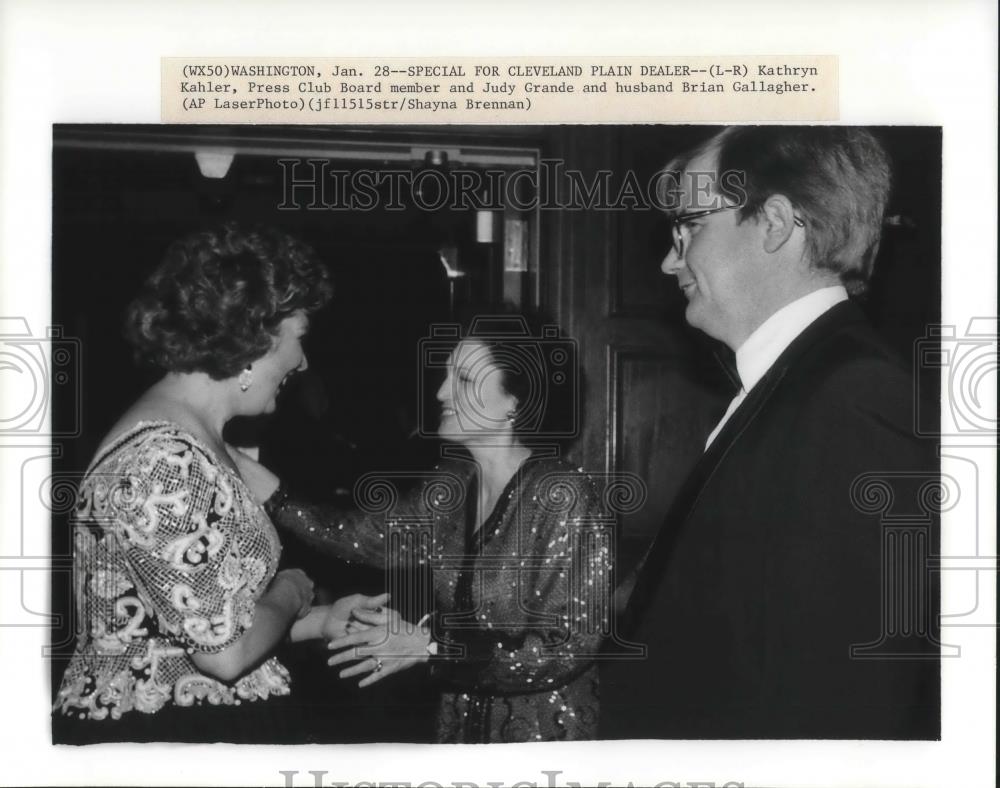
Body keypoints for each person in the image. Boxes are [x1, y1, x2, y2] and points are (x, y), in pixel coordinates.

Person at [600, 127, 940, 739]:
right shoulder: (795, 382)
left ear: (774, 223)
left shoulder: (853, 400)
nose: (669, 259)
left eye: (690, 226)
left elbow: (844, 704)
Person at [53, 223, 384, 743]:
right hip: (170, 740)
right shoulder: (166, 459)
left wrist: (316, 622)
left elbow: (196, 623)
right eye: (298, 338)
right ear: (256, 336)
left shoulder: (194, 441)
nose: (302, 361)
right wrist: (293, 590)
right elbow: (225, 656)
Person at [256, 316, 615, 742]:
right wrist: (271, 493)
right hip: (459, 731)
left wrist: (430, 646)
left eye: (463, 378)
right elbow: (364, 537)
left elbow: (568, 644)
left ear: (515, 400)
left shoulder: (563, 495)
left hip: (542, 743)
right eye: (446, 375)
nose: (442, 392)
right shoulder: (454, 484)